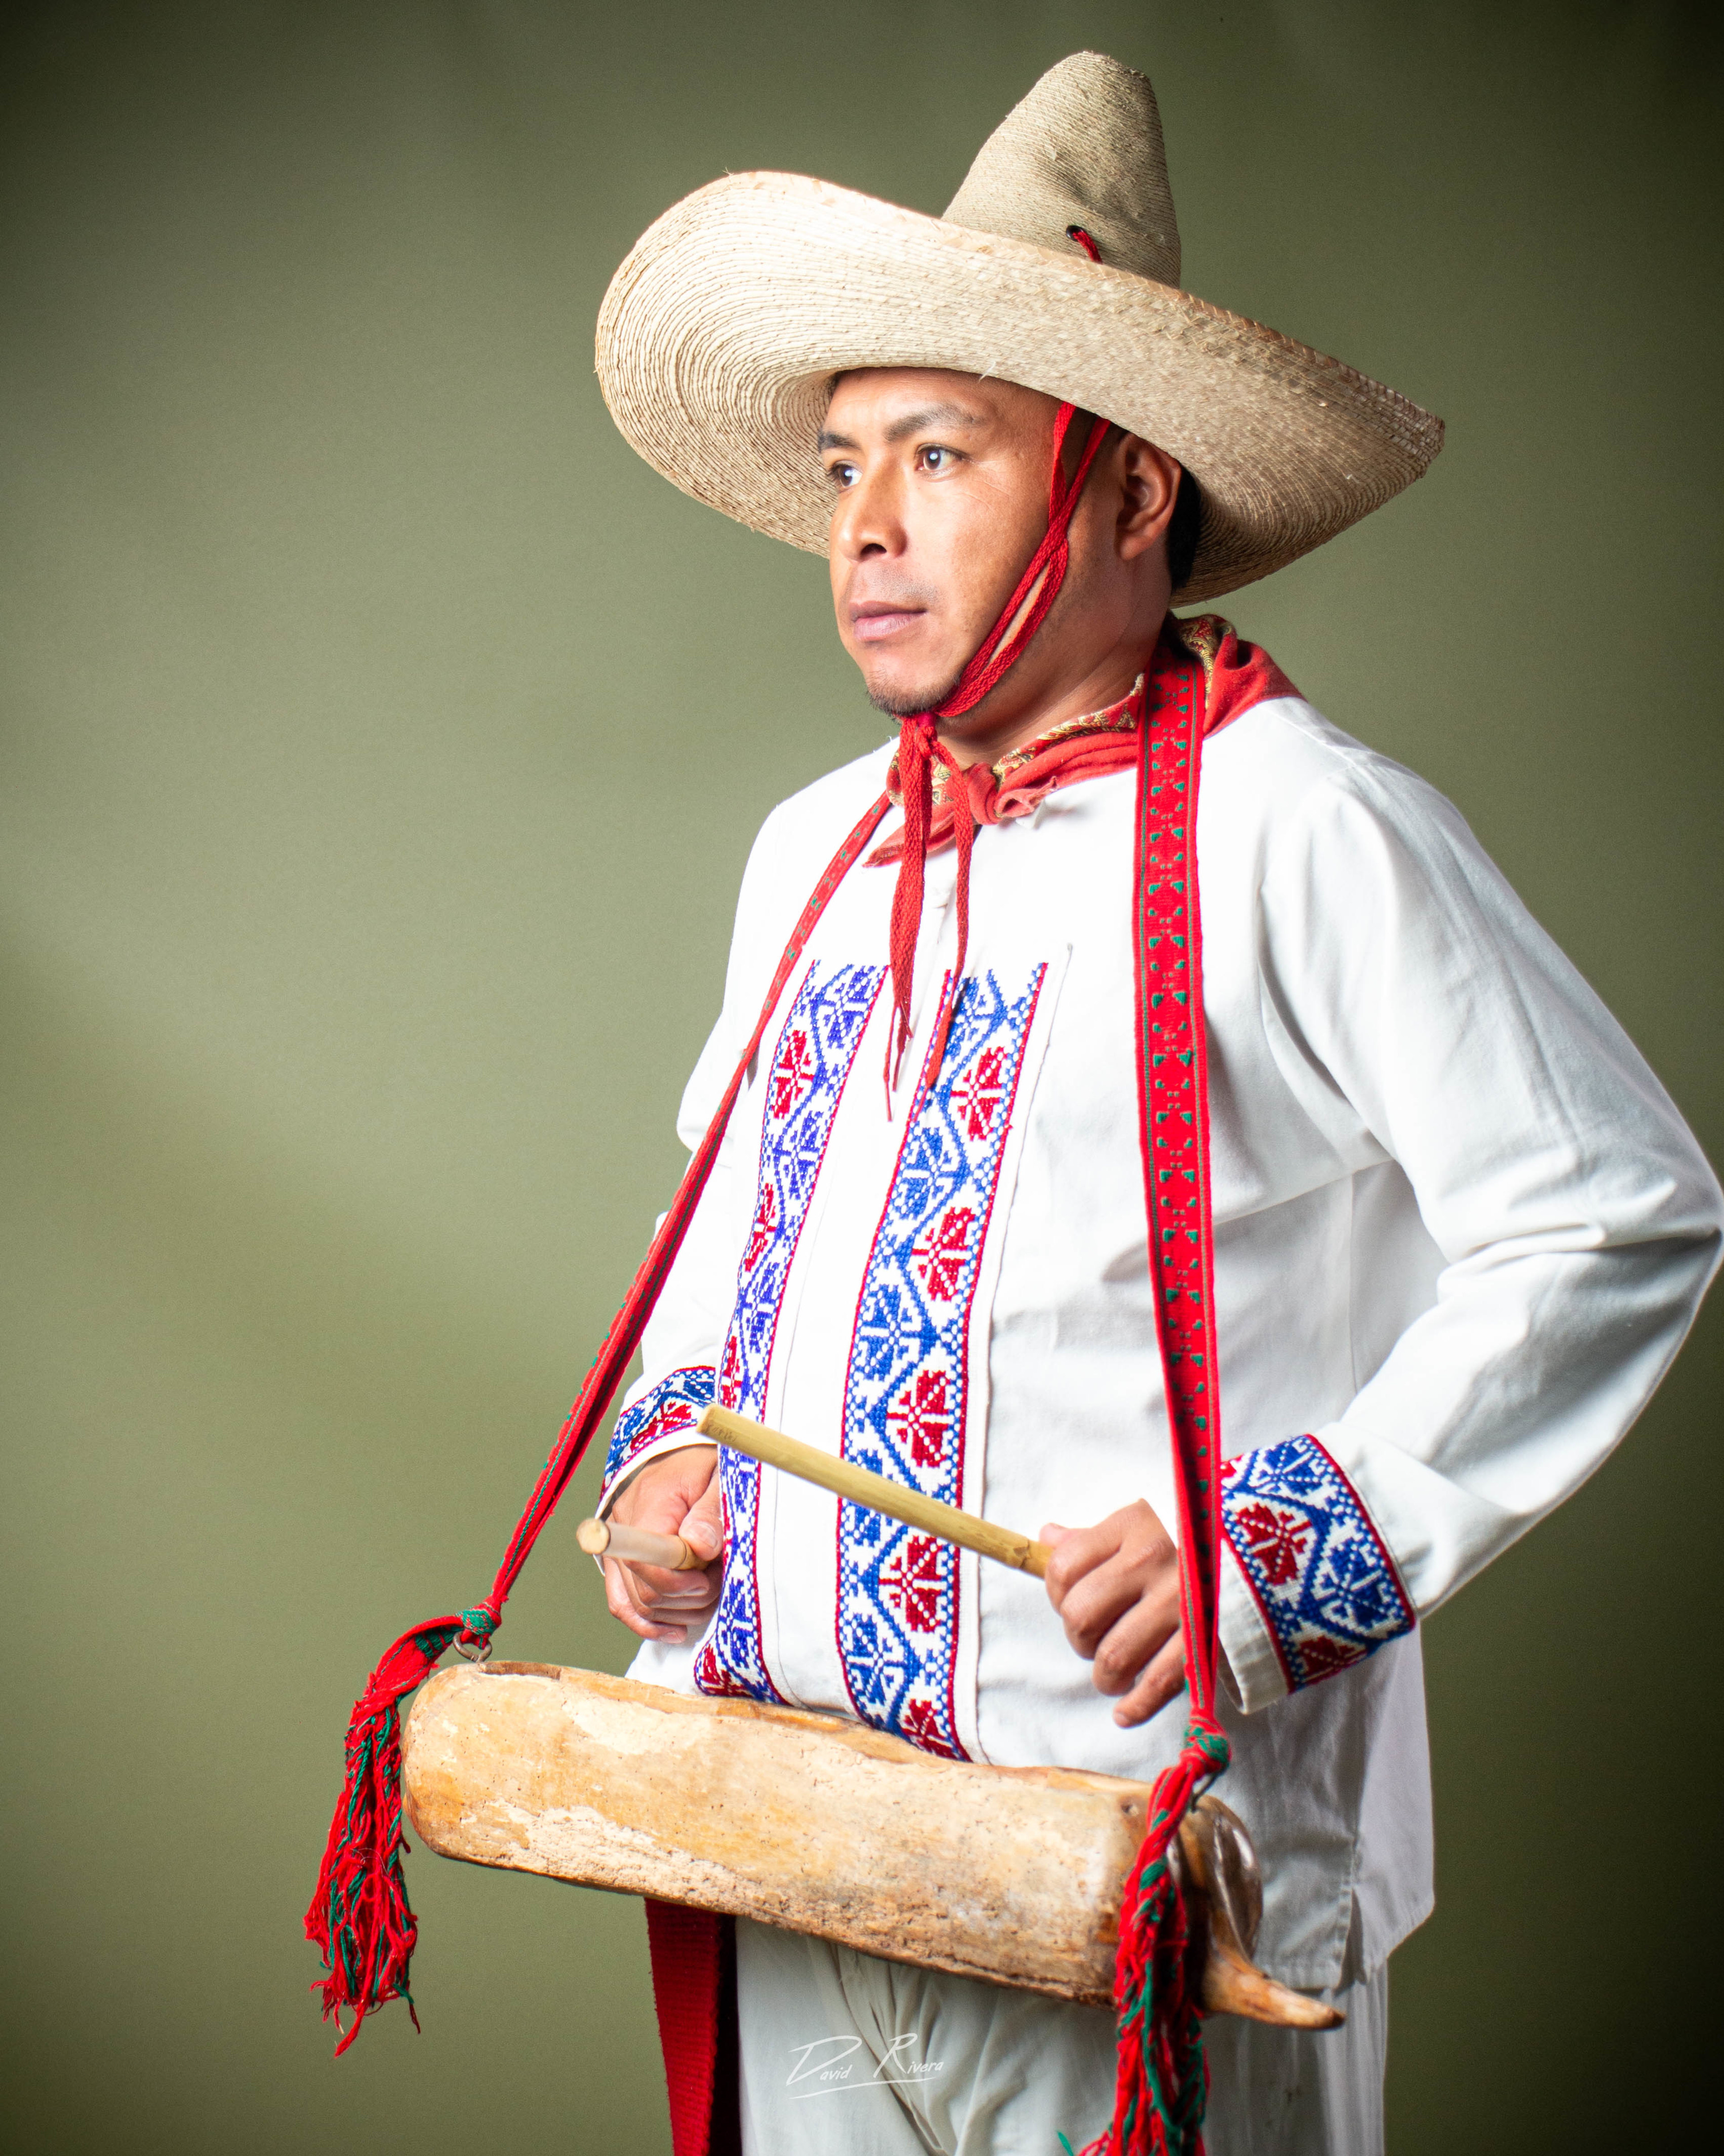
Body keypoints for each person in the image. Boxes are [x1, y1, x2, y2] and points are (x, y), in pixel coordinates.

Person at [585, 51, 1721, 2156]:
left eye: (944, 451)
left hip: (1151, 1891)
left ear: (1128, 493)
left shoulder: (1307, 826)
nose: (867, 524)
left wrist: (1278, 1552)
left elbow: (1616, 1211)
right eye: (850, 461)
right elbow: (722, 1241)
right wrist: (669, 1479)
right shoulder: (812, 847)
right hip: (792, 1848)